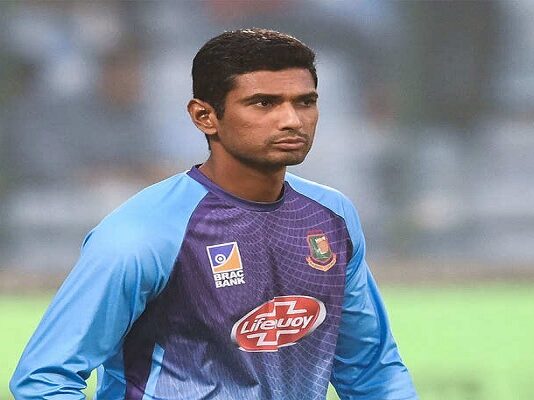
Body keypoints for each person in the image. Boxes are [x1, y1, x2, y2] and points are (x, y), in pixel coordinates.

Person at [10, 28, 418, 400]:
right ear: (204, 116)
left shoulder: (331, 215)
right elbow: (44, 380)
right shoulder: (143, 232)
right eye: (264, 103)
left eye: (305, 102)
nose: (292, 120)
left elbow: (372, 373)